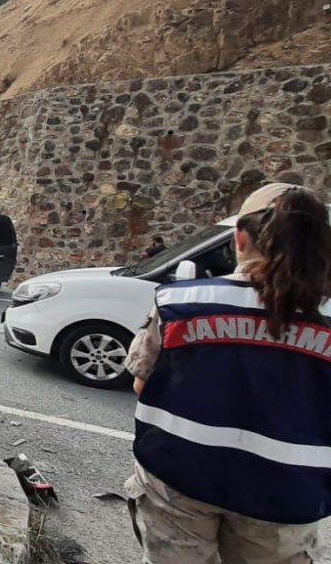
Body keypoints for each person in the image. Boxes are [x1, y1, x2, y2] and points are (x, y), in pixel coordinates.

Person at [122, 183, 331, 564]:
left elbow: (142, 382)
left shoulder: (180, 303)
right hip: (286, 497)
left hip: (179, 479)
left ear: (239, 238)